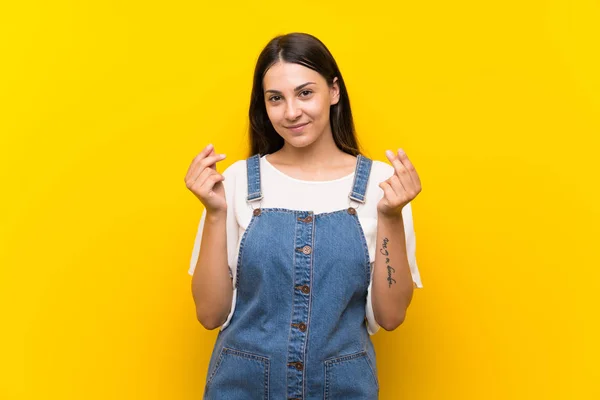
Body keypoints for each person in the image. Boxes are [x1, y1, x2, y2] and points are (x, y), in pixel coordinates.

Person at [184, 32, 424, 400]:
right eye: (275, 99)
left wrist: (390, 216)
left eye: (305, 93)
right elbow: (209, 314)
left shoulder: (383, 186)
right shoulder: (234, 182)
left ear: (334, 91)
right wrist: (215, 215)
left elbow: (391, 318)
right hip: (240, 388)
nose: (291, 112)